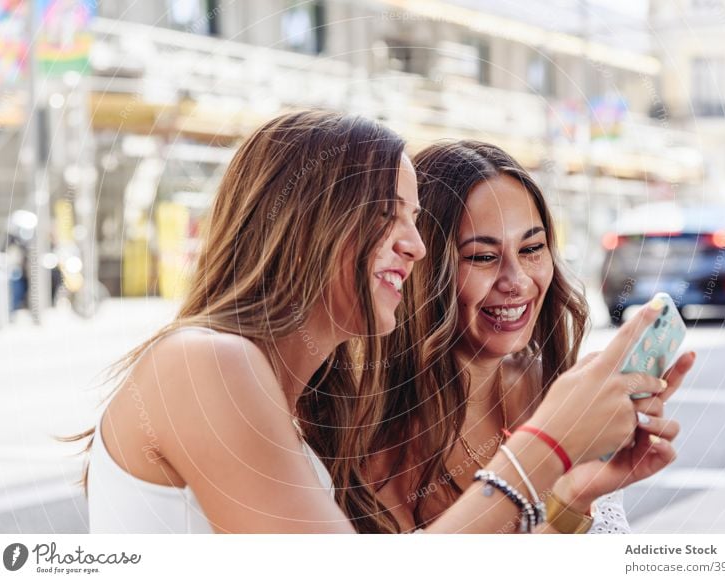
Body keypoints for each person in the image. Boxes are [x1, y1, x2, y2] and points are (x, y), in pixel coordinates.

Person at [70, 111, 671, 534]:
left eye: (413, 219)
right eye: (387, 216)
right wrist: (548, 447)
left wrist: (571, 496)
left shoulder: (296, 408)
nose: (413, 246)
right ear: (305, 227)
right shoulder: (204, 362)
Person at [368, 140, 696, 532]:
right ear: (420, 266)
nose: (518, 281)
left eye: (532, 248)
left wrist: (577, 496)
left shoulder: (559, 390)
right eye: (483, 256)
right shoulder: (367, 436)